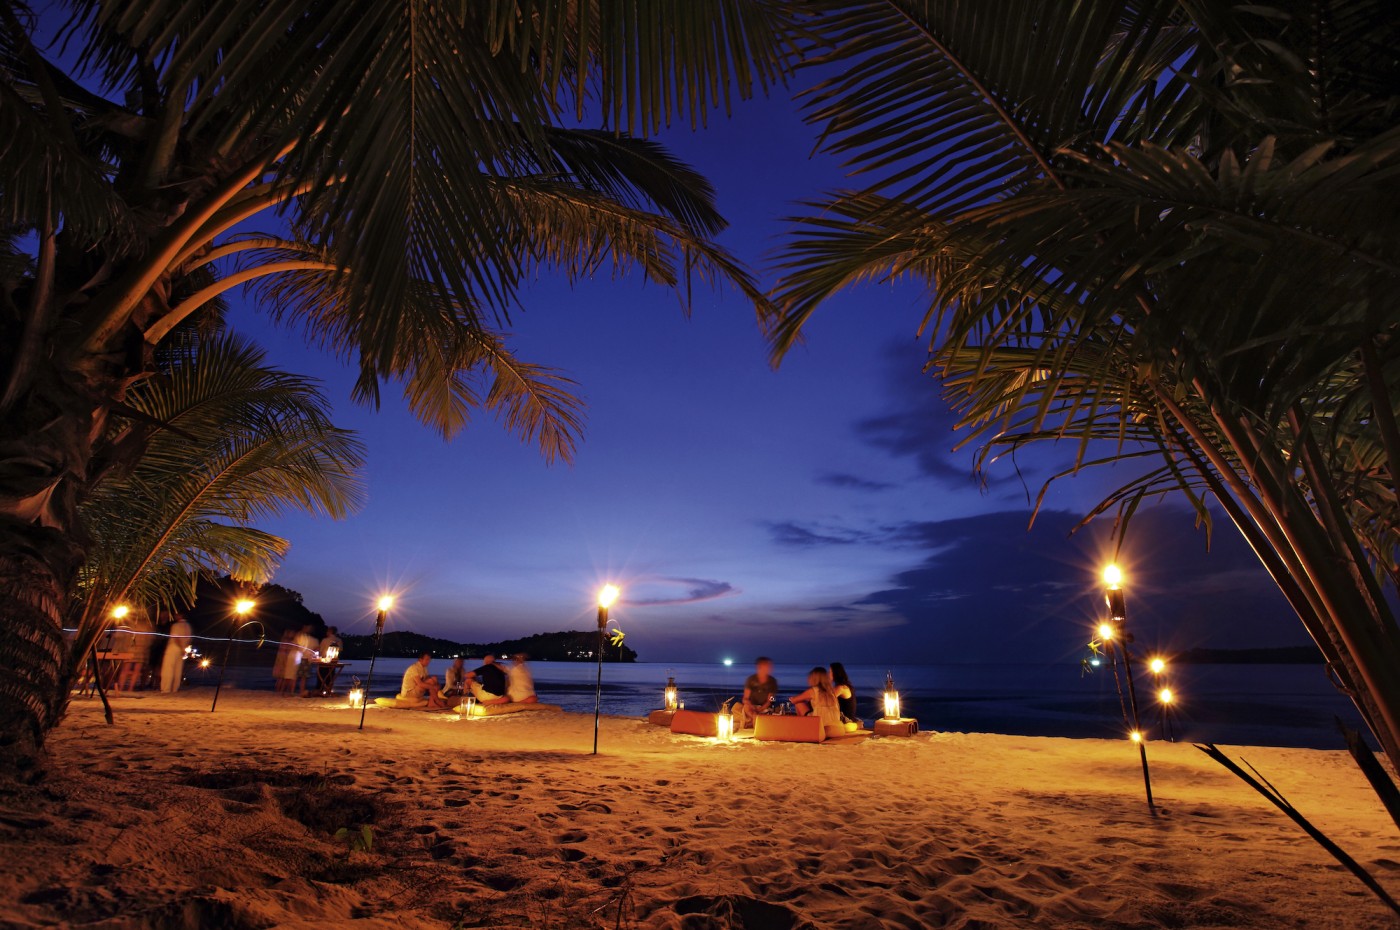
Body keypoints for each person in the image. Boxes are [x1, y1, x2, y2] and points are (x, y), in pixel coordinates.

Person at [790, 666, 844, 738]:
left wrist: (793, 698)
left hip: (823, 730)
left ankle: (803, 730)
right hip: (839, 730)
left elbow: (794, 700)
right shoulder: (831, 691)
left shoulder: (813, 690)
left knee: (799, 704)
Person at [736, 657, 779, 729]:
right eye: (767, 666)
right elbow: (745, 698)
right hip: (752, 706)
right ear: (760, 667)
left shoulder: (772, 681)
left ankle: (755, 723)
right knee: (746, 707)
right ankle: (756, 722)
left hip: (766, 707)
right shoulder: (751, 680)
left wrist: (761, 708)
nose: (770, 668)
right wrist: (752, 706)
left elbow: (771, 700)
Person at [116, 611, 154, 692]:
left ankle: (120, 688)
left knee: (125, 669)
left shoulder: (129, 625)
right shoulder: (147, 626)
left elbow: (119, 636)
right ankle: (130, 688)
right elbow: (149, 640)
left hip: (130, 648)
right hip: (141, 649)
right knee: (136, 670)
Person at [159, 613, 193, 693]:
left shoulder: (176, 625)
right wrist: (184, 649)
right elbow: (189, 639)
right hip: (183, 649)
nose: (175, 616)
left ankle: (166, 688)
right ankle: (175, 688)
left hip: (174, 647)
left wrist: (181, 647)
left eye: (176, 615)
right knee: (178, 669)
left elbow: (175, 637)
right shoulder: (188, 626)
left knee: (168, 668)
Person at [293, 624, 318, 696]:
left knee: (298, 676)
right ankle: (300, 691)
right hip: (306, 659)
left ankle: (294, 691)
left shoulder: (302, 637)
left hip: (301, 658)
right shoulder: (314, 640)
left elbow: (296, 646)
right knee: (303, 677)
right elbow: (317, 649)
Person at [273, 628, 297, 695]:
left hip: (280, 659)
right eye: (292, 633)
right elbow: (286, 651)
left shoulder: (283, 640)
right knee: (282, 677)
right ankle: (280, 690)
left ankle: (278, 690)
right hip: (284, 659)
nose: (293, 635)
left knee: (280, 677)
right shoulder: (288, 641)